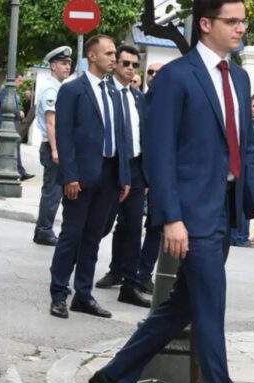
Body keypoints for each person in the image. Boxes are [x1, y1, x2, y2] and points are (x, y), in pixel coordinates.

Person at [88, 1, 254, 383]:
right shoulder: (175, 77)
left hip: (225, 207)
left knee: (185, 303)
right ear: (205, 23)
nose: (241, 28)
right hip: (191, 212)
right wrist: (171, 217)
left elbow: (243, 146)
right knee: (210, 307)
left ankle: (114, 376)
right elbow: (159, 153)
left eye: (242, 21)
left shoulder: (240, 79)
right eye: (232, 21)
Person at [48, 34, 132, 320]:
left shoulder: (114, 92)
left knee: (93, 237)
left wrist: (124, 176)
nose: (113, 58)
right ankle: (59, 293)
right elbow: (64, 136)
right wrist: (70, 176)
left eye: (114, 53)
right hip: (81, 177)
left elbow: (121, 136)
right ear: (92, 56)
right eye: (108, 53)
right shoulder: (73, 90)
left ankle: (83, 295)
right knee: (72, 236)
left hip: (109, 176)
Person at [94, 45, 151, 309]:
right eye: (125, 63)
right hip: (111, 168)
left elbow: (144, 135)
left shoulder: (139, 98)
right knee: (101, 224)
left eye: (134, 65)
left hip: (136, 168)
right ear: (115, 64)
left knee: (132, 226)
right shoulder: (104, 92)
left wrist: (147, 175)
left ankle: (129, 283)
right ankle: (77, 273)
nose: (130, 69)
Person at [33, 46, 73, 246]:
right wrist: (56, 150)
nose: (68, 67)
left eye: (69, 64)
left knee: (56, 190)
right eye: (64, 63)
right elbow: (51, 122)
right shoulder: (51, 89)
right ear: (53, 66)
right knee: (53, 191)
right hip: (52, 147)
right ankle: (44, 231)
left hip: (55, 146)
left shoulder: (58, 87)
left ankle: (44, 230)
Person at [230, 94, 254, 248]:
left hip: (253, 171)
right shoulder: (243, 124)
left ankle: (241, 237)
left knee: (247, 204)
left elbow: (252, 149)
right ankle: (239, 238)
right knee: (242, 205)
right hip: (243, 171)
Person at [0, 73, 34, 180]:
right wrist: (19, 113)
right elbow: (7, 108)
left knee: (13, 147)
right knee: (5, 148)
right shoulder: (6, 91)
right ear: (13, 80)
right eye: (19, 80)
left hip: (12, 123)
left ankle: (20, 171)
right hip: (6, 124)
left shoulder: (11, 91)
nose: (21, 83)